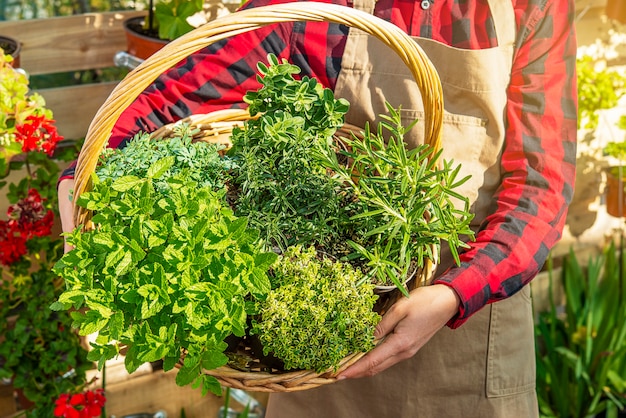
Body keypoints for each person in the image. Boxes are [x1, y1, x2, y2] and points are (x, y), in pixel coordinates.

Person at [58, 0, 577, 416]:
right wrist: (78, 187)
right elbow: (164, 99)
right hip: (323, 338)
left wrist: (450, 293)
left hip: (470, 328)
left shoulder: (533, 7)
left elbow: (540, 183)